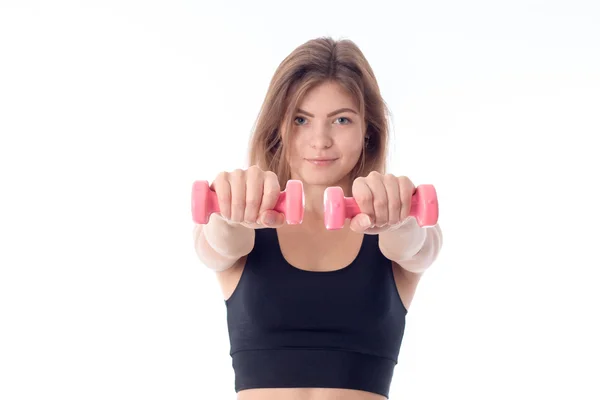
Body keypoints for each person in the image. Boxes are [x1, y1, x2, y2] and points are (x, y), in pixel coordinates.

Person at [192, 37, 443, 400]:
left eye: (341, 120)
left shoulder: (403, 221)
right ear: (278, 126)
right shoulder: (240, 223)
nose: (320, 140)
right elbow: (216, 245)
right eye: (301, 119)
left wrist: (398, 220)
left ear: (368, 129)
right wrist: (231, 213)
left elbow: (418, 246)